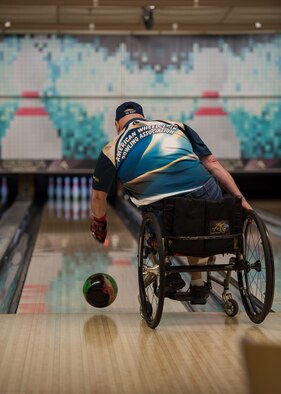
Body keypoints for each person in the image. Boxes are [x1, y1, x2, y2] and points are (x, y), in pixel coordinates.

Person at [90, 101, 252, 304]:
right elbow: (212, 163)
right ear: (144, 118)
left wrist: (100, 225)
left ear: (116, 124)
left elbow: (98, 198)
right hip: (206, 196)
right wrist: (241, 199)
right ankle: (197, 283)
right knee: (195, 216)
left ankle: (167, 272)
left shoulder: (111, 149)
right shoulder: (176, 126)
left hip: (167, 209)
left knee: (164, 219)